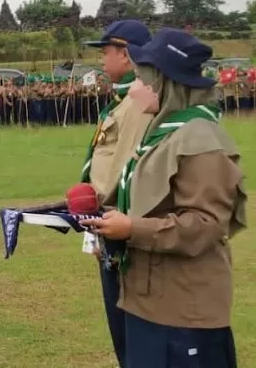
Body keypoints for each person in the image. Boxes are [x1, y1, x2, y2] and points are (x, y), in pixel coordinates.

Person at [81, 28, 247, 368]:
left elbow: (205, 226)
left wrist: (131, 229)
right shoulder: (164, 134)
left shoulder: (200, 140)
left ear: (162, 84)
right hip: (147, 299)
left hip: (183, 310)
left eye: (142, 79)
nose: (135, 89)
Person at [80, 19, 154, 366]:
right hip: (107, 221)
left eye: (106, 51)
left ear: (125, 54)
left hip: (119, 224)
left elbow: (128, 169)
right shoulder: (124, 101)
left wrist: (100, 216)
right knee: (122, 328)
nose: (102, 60)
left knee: (130, 330)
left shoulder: (136, 104)